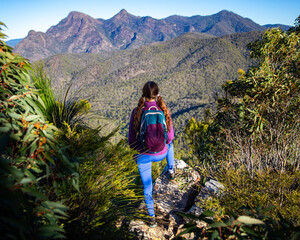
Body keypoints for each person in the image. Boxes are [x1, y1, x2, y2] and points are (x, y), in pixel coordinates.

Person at [128, 81, 175, 228]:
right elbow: (170, 137)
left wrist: (141, 151)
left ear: (143, 94)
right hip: (162, 153)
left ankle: (152, 220)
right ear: (157, 95)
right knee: (171, 145)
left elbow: (131, 141)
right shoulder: (163, 110)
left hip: (144, 156)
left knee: (147, 189)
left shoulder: (137, 112)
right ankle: (172, 170)